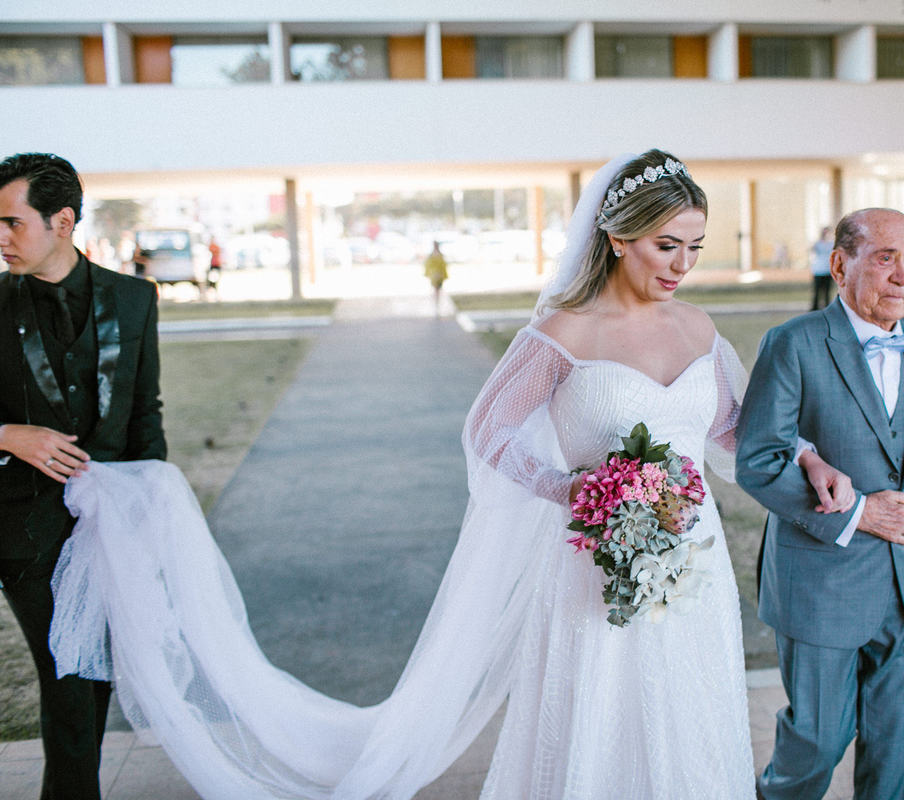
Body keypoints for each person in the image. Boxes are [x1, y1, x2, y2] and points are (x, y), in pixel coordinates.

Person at [47, 151, 854, 800]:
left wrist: (808, 456)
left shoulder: (700, 327)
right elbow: (488, 429)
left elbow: (736, 430)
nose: (681, 265)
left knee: (687, 702)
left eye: (694, 247)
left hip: (691, 560)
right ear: (617, 237)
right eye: (665, 245)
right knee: (601, 708)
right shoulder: (565, 332)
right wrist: (569, 489)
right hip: (596, 558)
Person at [736, 208, 904, 800]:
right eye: (885, 258)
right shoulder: (793, 343)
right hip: (821, 581)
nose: (903, 275)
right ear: (839, 265)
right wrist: (859, 513)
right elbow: (758, 460)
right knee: (817, 741)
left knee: (894, 749)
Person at [0, 152, 166, 800]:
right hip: (22, 527)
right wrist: (8, 435)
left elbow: (145, 413)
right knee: (67, 672)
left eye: (12, 223)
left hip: (110, 523)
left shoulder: (135, 298)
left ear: (62, 221)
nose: (1, 238)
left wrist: (152, 512)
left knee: (92, 672)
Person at [809, 225, 834, 310]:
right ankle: (814, 308)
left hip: (828, 271)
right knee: (817, 292)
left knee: (827, 292)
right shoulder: (818, 243)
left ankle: (827, 308)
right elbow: (811, 249)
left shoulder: (832, 244)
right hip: (818, 271)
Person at [423, 241, 448, 317]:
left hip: (439, 276)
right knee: (435, 290)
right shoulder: (431, 256)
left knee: (438, 290)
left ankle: (437, 303)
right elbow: (428, 265)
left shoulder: (440, 255)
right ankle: (436, 303)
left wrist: (442, 274)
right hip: (434, 276)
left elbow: (444, 265)